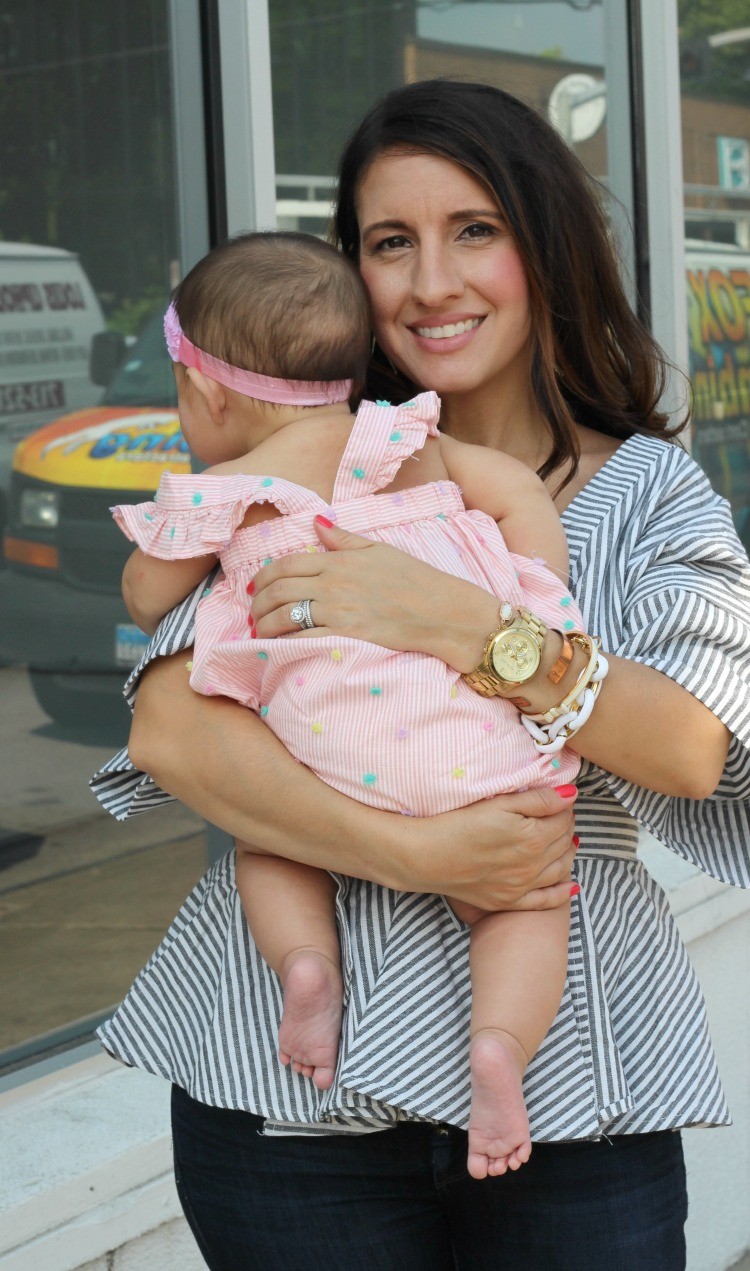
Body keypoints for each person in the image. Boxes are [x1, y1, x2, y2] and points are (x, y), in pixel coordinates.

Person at [91, 79, 750, 1271]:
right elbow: (175, 737)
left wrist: (461, 621)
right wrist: (420, 855)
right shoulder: (300, 469)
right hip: (286, 1090)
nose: (433, 282)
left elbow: (692, 744)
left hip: (568, 1080)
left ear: (545, 248)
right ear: (351, 272)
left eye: (476, 231)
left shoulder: (653, 493)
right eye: (392, 242)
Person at [111, 228, 592, 1178]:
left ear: (207, 390)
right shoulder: (405, 437)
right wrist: (536, 590)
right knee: (526, 906)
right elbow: (515, 495)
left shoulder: (233, 490)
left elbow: (140, 592)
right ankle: (497, 1045)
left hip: (326, 749)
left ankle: (305, 965)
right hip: (474, 742)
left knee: (272, 838)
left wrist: (201, 528)